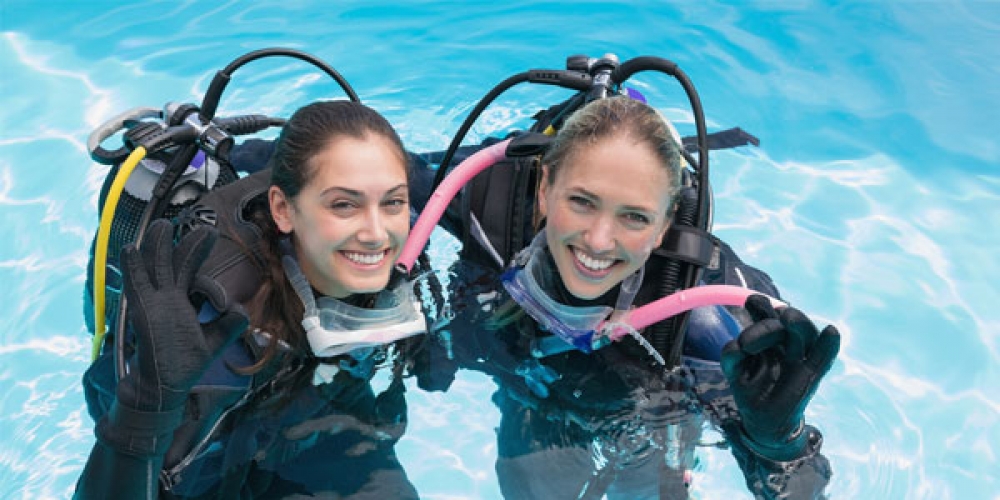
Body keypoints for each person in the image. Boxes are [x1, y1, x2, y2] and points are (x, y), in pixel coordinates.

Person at [430, 95, 839, 499]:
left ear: (664, 225)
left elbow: (800, 492)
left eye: (635, 216)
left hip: (651, 429)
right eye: (581, 201)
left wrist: (779, 443)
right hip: (534, 404)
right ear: (544, 188)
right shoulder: (491, 221)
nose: (598, 240)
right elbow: (395, 176)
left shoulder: (706, 320)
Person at [75, 100, 435, 499]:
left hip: (314, 415)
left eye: (392, 202)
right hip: (212, 461)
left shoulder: (394, 255)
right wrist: (148, 404)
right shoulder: (220, 335)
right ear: (282, 209)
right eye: (344, 205)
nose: (376, 233)